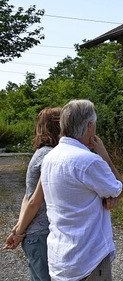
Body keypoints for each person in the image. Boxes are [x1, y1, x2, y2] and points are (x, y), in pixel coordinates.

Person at [40, 99, 123, 281]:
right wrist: (105, 155)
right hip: (87, 258)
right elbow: (118, 187)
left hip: (60, 257)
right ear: (90, 127)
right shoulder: (89, 161)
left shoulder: (49, 158)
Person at [3, 107, 62, 281]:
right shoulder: (50, 156)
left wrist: (18, 229)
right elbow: (34, 201)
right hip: (41, 235)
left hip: (34, 237)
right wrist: (19, 231)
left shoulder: (39, 153)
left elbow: (27, 197)